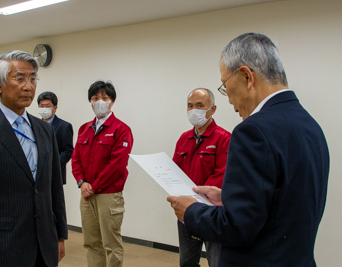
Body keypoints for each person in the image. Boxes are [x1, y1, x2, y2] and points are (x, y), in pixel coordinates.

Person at [167, 33, 329, 266]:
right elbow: (284, 199)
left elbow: (236, 227)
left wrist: (191, 211)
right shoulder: (310, 125)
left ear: (246, 76)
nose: (230, 101)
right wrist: (227, 197)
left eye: (225, 86)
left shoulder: (253, 131)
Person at [0, 50, 68, 267]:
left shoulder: (45, 131)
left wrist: (60, 235)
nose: (28, 86)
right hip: (4, 244)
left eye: (33, 79)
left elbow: (54, 189)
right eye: (19, 79)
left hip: (44, 242)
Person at [72, 80, 133, 267]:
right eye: (95, 98)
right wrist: (82, 183)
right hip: (87, 195)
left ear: (112, 101)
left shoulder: (121, 130)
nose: (100, 102)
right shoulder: (84, 129)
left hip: (108, 194)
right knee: (91, 242)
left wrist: (94, 186)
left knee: (111, 244)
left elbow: (117, 165)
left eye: (104, 98)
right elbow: (76, 160)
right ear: (90, 102)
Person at [173, 88, 230, 267]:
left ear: (212, 109)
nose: (193, 110)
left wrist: (195, 197)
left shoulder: (224, 138)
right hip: (187, 214)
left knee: (216, 261)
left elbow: (222, 174)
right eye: (190, 106)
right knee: (187, 262)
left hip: (213, 213)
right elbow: (175, 171)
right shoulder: (184, 138)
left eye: (199, 105)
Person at [37, 91, 74, 184]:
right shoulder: (34, 126)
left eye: (48, 106)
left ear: (55, 107)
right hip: (36, 174)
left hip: (55, 175)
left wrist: (52, 165)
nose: (44, 109)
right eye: (41, 106)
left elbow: (67, 151)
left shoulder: (64, 126)